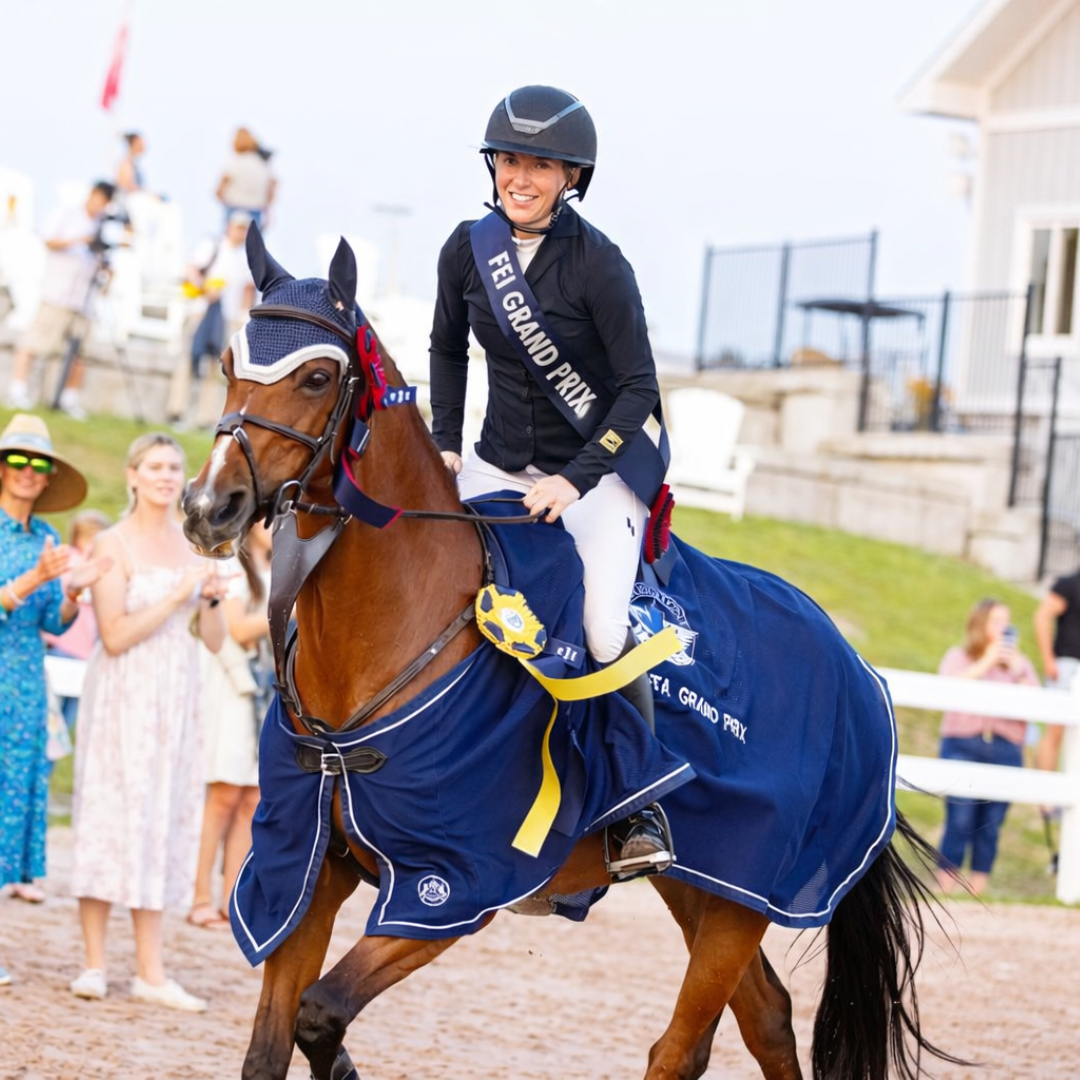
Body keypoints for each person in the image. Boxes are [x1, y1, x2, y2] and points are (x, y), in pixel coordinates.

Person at [428, 85, 670, 872]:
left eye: (539, 164)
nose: (519, 176)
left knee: (602, 628)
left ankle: (642, 807)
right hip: (496, 454)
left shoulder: (600, 264)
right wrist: (445, 443)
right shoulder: (468, 248)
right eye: (508, 160)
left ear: (571, 176)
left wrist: (573, 481)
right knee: (434, 587)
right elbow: (444, 347)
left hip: (596, 471)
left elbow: (638, 388)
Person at [69, 433, 227, 1011]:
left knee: (164, 815)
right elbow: (113, 636)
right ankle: (93, 962)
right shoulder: (111, 544)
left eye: (173, 468)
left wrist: (206, 599)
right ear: (132, 475)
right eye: (154, 467)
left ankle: (150, 970)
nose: (165, 476)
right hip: (123, 693)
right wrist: (175, 597)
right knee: (111, 811)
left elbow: (213, 641)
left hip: (177, 693)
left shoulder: (194, 545)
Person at [0, 414, 112, 907]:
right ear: (3, 469)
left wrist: (73, 590)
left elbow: (56, 622)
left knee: (14, 801)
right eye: (18, 460)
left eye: (38, 463)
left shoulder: (44, 534)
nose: (28, 470)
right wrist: (28, 580)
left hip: (24, 686)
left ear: (48, 477)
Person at [188, 522, 272, 930]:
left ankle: (229, 898)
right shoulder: (235, 567)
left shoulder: (274, 563)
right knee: (223, 794)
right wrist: (293, 606)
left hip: (266, 688)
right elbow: (237, 629)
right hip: (234, 685)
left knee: (252, 797)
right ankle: (199, 893)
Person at [934, 598, 1038, 896]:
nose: (1002, 629)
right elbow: (946, 686)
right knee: (960, 815)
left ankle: (978, 888)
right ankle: (946, 884)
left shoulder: (1020, 665)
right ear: (980, 625)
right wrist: (986, 662)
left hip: (1005, 748)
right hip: (963, 743)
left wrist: (1016, 671)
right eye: (996, 622)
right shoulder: (960, 656)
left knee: (991, 823)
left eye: (1006, 623)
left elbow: (1036, 706)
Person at [5, 181, 117, 417]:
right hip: (57, 292)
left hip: (84, 300)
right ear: (93, 195)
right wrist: (80, 240)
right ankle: (17, 390)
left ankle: (69, 399)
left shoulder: (103, 226)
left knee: (81, 352)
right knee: (33, 342)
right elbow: (49, 240)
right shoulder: (67, 215)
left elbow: (106, 260)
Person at [165, 211, 256, 428]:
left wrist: (245, 317)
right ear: (229, 226)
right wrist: (207, 289)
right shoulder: (213, 246)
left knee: (218, 368)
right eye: (238, 227)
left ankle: (205, 417)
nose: (241, 233)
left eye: (245, 229)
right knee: (188, 360)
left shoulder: (246, 257)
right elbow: (192, 270)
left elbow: (247, 289)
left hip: (228, 318)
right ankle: (176, 410)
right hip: (202, 312)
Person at [42, 509, 112, 730]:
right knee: (52, 711)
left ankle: (56, 748)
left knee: (71, 713)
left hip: (85, 653)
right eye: (89, 539)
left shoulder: (104, 568)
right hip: (62, 647)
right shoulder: (70, 561)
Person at [1034, 566, 1080, 775]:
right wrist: (1049, 660)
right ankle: (1045, 799)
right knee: (1055, 730)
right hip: (1066, 665)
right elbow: (1042, 616)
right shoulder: (1068, 583)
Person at [215, 127, 276, 231]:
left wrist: (226, 201)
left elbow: (219, 191)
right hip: (255, 210)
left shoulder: (233, 162)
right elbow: (272, 189)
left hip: (233, 209)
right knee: (254, 245)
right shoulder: (263, 164)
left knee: (230, 245)